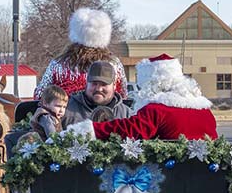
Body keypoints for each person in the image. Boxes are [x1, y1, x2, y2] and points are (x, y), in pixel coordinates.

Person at [66, 54, 217, 140]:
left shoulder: (157, 110)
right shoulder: (205, 112)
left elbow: (128, 130)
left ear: (153, 83)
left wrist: (88, 130)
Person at [34, 8, 127, 99]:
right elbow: (123, 94)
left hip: (66, 112)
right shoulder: (113, 64)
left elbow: (40, 95)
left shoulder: (59, 63)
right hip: (103, 112)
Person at [61, 61, 131, 128]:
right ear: (87, 83)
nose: (98, 89)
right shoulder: (65, 110)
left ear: (114, 85)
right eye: (94, 83)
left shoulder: (126, 114)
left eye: (104, 84)